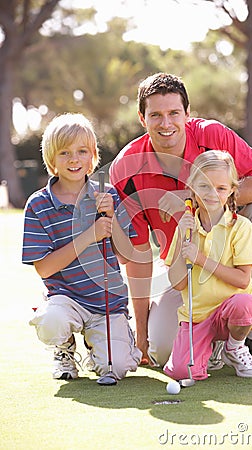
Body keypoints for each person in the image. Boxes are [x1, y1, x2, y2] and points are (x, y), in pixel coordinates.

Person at [109, 72, 252, 368]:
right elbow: (138, 255)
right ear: (142, 119)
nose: (166, 124)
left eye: (174, 113)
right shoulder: (126, 169)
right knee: (163, 351)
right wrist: (141, 340)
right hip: (185, 271)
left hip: (232, 256)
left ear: (187, 114)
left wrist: (191, 199)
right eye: (156, 115)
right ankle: (211, 339)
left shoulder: (212, 135)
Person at [22, 113, 142, 382]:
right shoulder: (38, 205)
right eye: (64, 152)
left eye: (82, 151)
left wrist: (112, 219)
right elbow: (45, 268)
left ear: (93, 156)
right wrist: (90, 234)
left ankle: (101, 344)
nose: (74, 159)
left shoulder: (108, 195)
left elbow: (125, 256)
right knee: (52, 323)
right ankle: (63, 347)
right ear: (51, 160)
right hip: (65, 298)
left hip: (106, 303)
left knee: (118, 366)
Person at [163, 150, 252, 380]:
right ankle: (211, 349)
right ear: (192, 187)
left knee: (245, 303)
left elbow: (242, 280)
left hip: (230, 312)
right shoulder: (186, 226)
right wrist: (183, 246)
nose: (211, 194)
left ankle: (234, 346)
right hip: (197, 316)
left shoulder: (241, 227)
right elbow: (178, 283)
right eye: (204, 186)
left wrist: (200, 259)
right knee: (181, 372)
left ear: (231, 191)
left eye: (220, 188)